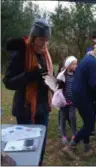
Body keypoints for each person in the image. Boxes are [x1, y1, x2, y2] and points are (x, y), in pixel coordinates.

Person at [3, 19, 53, 165]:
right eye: (41, 39)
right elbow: (8, 81)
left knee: (41, 146)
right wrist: (29, 75)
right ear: (33, 37)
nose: (44, 43)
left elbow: (49, 75)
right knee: (27, 148)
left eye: (46, 40)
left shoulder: (45, 54)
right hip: (25, 107)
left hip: (43, 107)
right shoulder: (22, 53)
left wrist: (54, 83)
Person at [62, 43, 96, 160]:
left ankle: (87, 147)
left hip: (79, 95)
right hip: (83, 97)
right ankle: (71, 147)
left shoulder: (86, 59)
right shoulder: (93, 63)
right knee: (90, 124)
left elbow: (86, 81)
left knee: (88, 121)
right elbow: (94, 85)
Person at [56, 56, 78, 145]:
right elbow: (58, 88)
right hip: (63, 102)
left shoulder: (77, 74)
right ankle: (63, 136)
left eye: (76, 64)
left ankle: (74, 135)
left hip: (73, 101)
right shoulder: (62, 75)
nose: (75, 66)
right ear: (68, 65)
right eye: (73, 64)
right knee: (63, 118)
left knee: (72, 117)